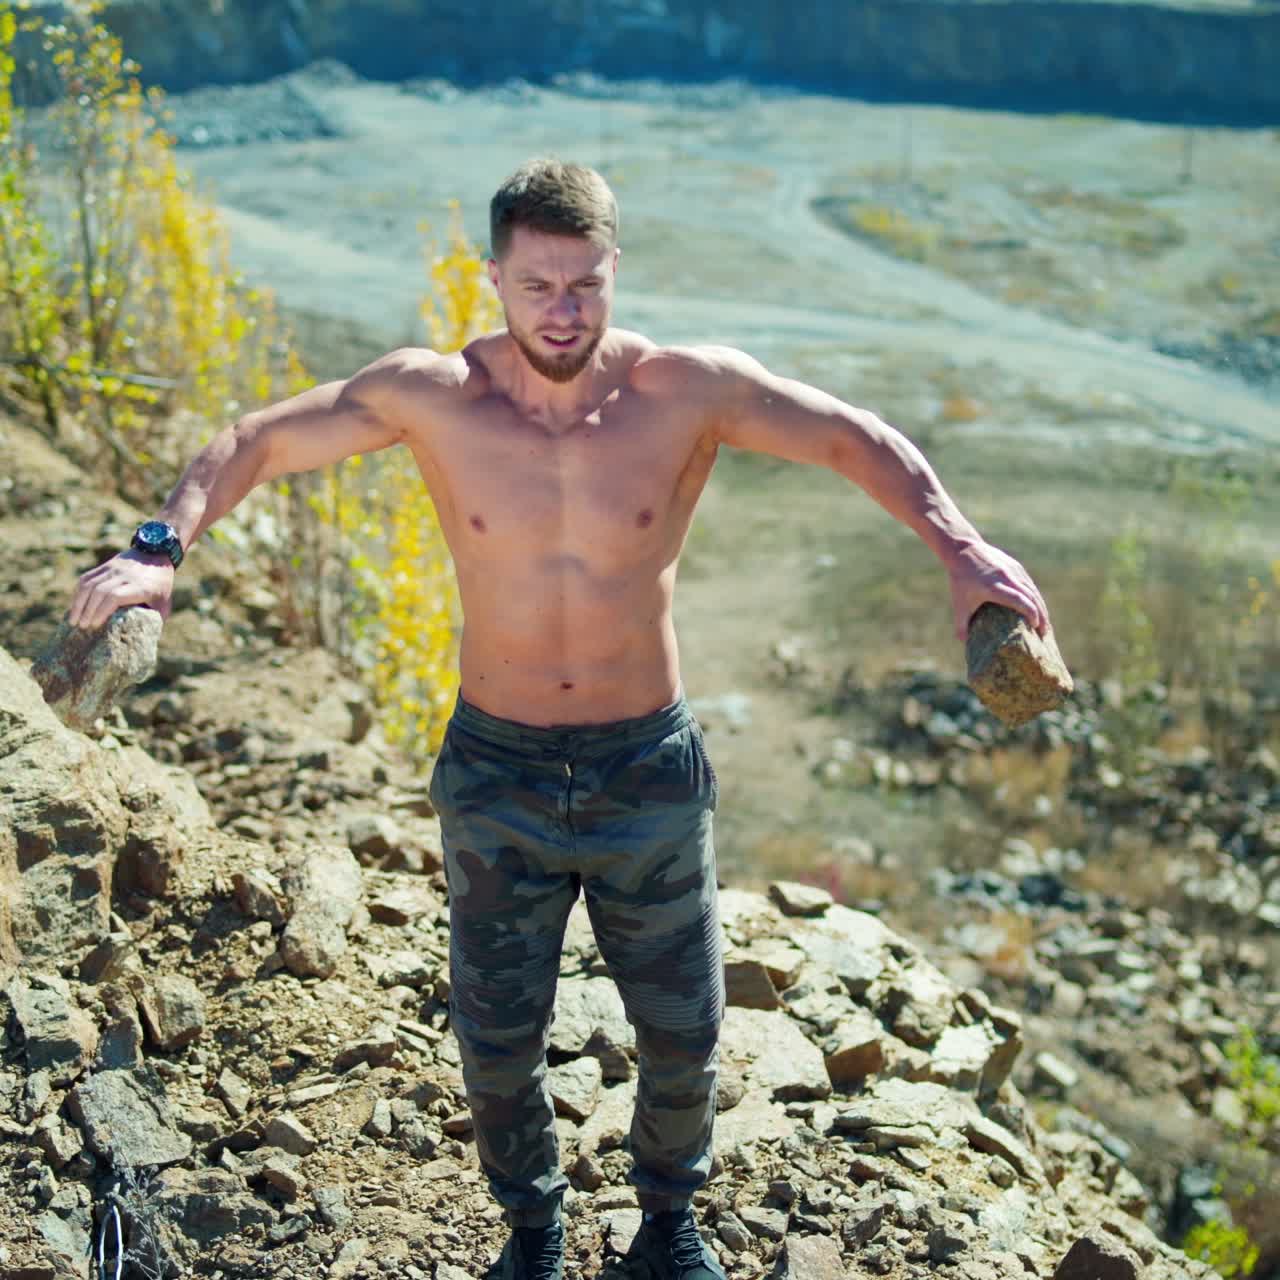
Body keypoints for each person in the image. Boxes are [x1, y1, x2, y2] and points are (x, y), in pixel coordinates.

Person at [68, 158, 1052, 1280]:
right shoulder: (431, 394)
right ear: (494, 277)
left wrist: (960, 549)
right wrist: (158, 549)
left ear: (614, 269)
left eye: (585, 283)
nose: (564, 310)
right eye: (538, 285)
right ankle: (531, 1233)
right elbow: (254, 439)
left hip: (646, 764)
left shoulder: (684, 389)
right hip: (496, 767)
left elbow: (849, 435)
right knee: (495, 1045)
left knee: (683, 1034)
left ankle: (666, 1228)